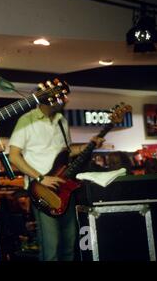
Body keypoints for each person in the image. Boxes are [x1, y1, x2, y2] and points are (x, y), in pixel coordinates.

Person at [8, 102, 104, 261]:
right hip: (42, 190)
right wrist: (40, 177)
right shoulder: (27, 120)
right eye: (60, 97)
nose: (64, 100)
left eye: (65, 97)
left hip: (64, 187)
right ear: (48, 97)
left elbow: (65, 151)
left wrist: (88, 146)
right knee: (51, 246)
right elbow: (14, 156)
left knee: (69, 243)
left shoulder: (62, 121)